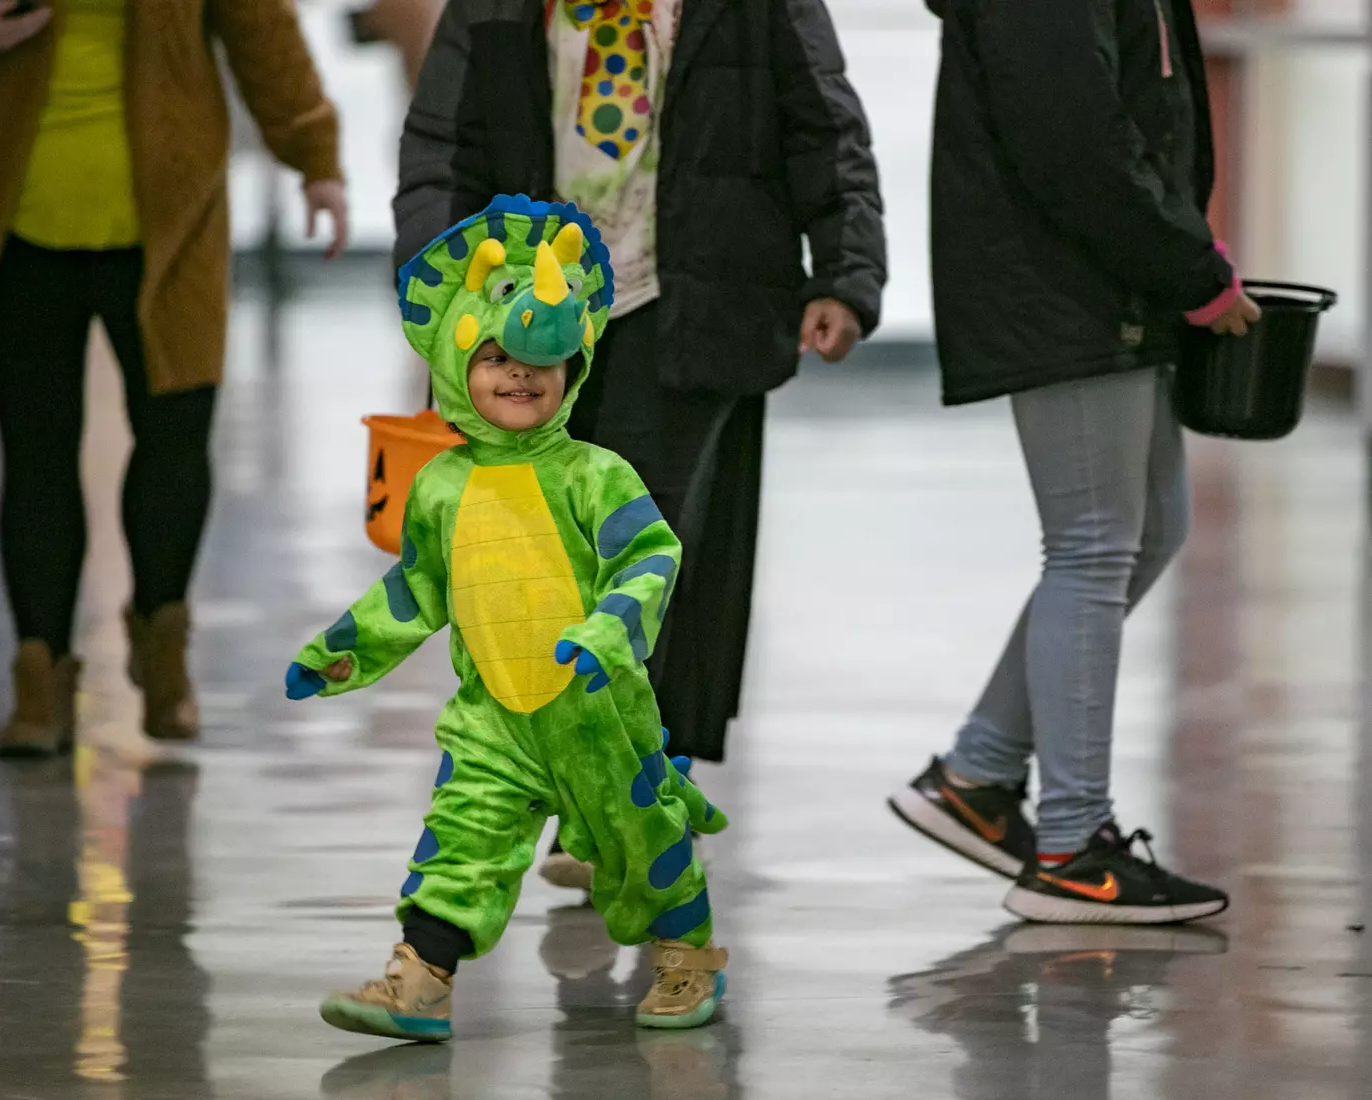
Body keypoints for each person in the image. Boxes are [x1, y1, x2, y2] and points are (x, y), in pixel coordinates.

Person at [395, 0, 887, 889]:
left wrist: (847, 275)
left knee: (640, 548)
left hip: (695, 295)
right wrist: (436, 287)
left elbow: (824, 123)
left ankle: (614, 802)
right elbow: (442, 142)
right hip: (534, 313)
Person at [0, 0, 348, 757]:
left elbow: (259, 25)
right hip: (5, 218)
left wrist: (313, 155)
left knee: (176, 439)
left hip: (169, 218)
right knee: (36, 453)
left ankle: (163, 642)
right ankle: (38, 678)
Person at [286, 197, 730, 1042]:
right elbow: (415, 589)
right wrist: (345, 650)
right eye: (493, 359)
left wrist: (610, 630)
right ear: (458, 368)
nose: (518, 378)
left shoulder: (594, 475)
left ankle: (686, 955)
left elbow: (651, 558)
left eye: (539, 365)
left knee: (641, 841)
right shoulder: (440, 487)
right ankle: (420, 981)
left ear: (573, 370)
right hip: (493, 716)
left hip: (597, 715)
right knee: (461, 844)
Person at [888, 0, 1257, 923]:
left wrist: (1185, 251)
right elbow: (1070, 140)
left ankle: (975, 777)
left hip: (1107, 278)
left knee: (1150, 527)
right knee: (1092, 544)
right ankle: (1071, 849)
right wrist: (1187, 269)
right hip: (1068, 283)